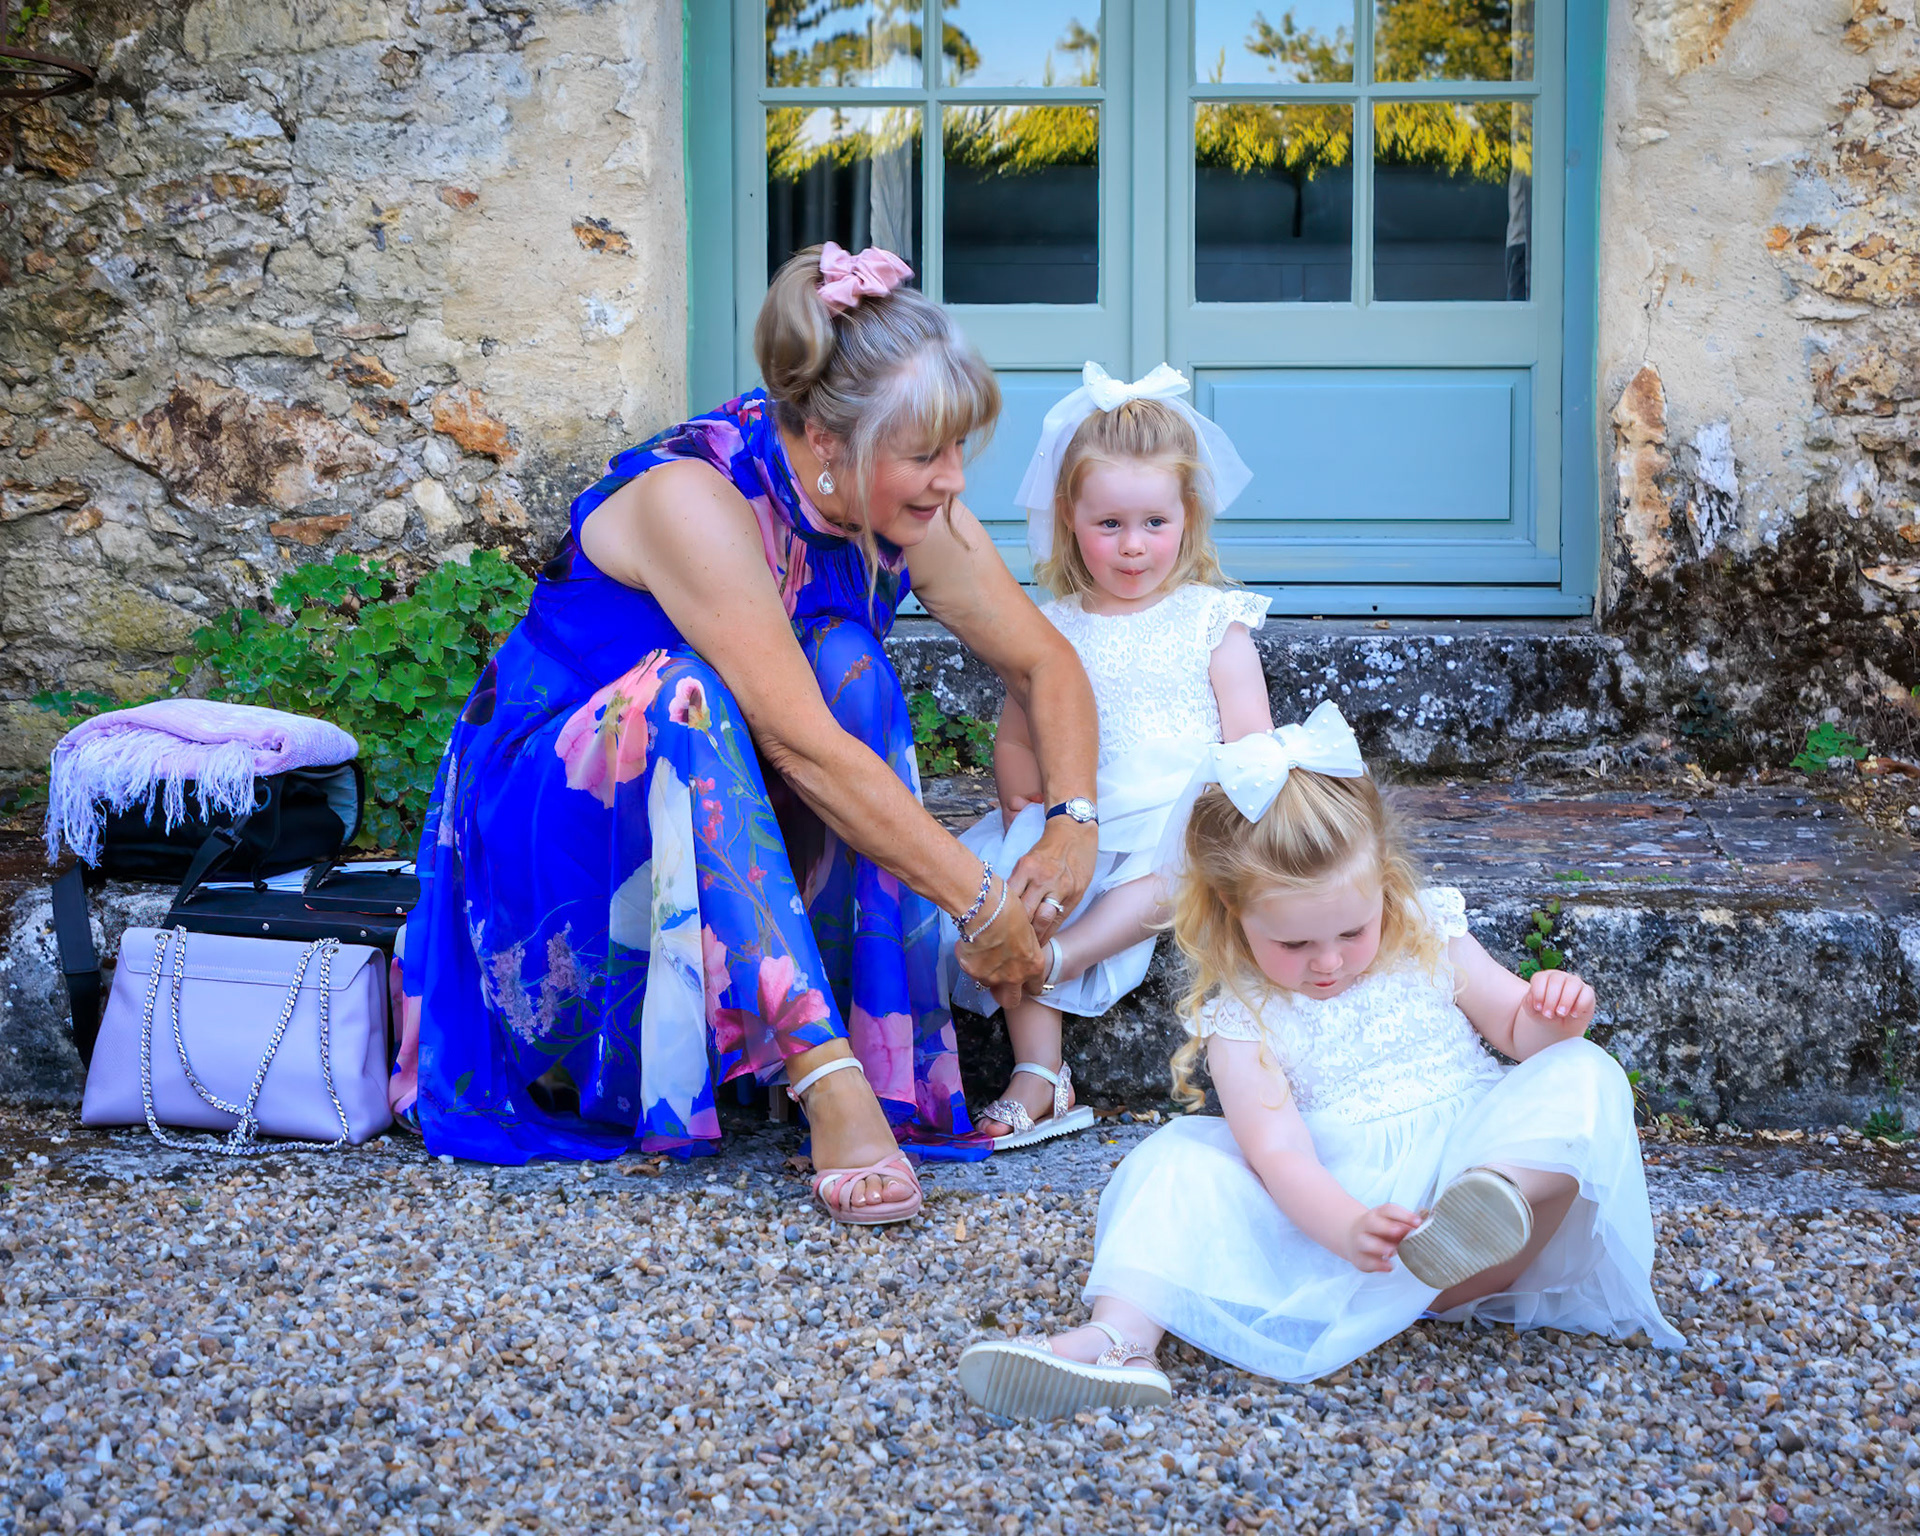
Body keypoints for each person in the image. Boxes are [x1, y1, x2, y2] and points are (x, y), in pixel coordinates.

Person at [393, 243, 1101, 1224]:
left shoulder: (902, 507)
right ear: (826, 440)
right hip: (560, 833)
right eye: (924, 453)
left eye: (957, 449)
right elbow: (801, 746)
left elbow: (1044, 664)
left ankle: (875, 1050)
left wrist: (1073, 824)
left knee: (851, 666)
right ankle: (827, 1082)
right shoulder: (696, 499)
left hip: (720, 812)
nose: (951, 480)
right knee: (690, 694)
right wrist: (983, 904)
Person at [959, 704, 1681, 1414]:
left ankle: (1487, 1200)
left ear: (1384, 883)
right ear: (1233, 913)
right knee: (1172, 1162)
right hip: (1355, 1238)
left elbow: (1519, 1030)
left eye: (1351, 931)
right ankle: (1118, 1339)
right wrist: (1348, 1226)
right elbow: (1280, 1156)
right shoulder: (1243, 1015)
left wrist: (1556, 1014)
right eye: (1295, 944)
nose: (1328, 961)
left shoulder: (1427, 931)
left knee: (1583, 1070)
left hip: (1487, 1228)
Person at [952, 363, 1272, 1150]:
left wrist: (1235, 817)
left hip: (1177, 814)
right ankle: (1040, 1072)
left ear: (1187, 515)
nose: (1133, 546)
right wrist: (1022, 805)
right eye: (1109, 525)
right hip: (1085, 814)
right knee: (1023, 879)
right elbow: (1018, 732)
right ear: (1069, 518)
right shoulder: (1053, 627)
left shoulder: (1213, 620)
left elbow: (1252, 746)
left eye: (1154, 523)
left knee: (1178, 869)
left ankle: (1054, 958)